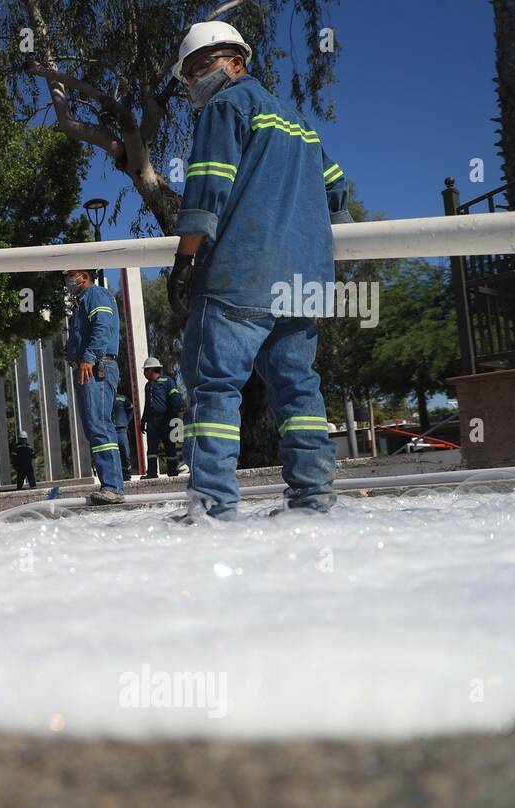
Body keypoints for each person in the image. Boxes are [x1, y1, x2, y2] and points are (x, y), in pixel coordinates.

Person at [167, 21, 351, 520]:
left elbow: (207, 191)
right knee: (298, 386)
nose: (193, 84)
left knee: (214, 387)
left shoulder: (225, 107)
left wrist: (184, 262)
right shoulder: (299, 123)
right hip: (304, 279)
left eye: (198, 70)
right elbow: (337, 191)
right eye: (187, 77)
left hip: (239, 273)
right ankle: (313, 499)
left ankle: (212, 507)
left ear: (236, 63)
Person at [63, 268, 125, 504]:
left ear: (85, 276)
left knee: (99, 424)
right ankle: (111, 485)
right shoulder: (82, 302)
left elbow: (102, 327)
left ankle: (113, 487)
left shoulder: (95, 294)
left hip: (97, 367)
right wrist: (73, 350)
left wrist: (88, 357)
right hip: (89, 367)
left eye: (71, 275)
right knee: (94, 427)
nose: (68, 280)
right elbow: (88, 331)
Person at [140, 357, 186, 479]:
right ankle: (151, 473)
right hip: (152, 422)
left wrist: (172, 415)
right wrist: (143, 421)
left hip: (166, 420)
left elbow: (176, 398)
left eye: (145, 370)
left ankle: (172, 471)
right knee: (151, 449)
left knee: (170, 447)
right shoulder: (147, 386)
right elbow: (147, 405)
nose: (144, 373)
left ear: (151, 370)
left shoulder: (168, 381)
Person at [113, 385, 135, 478]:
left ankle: (127, 473)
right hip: (110, 431)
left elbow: (131, 408)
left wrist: (126, 420)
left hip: (121, 430)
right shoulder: (104, 398)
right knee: (113, 454)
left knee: (125, 452)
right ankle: (116, 475)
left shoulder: (122, 398)